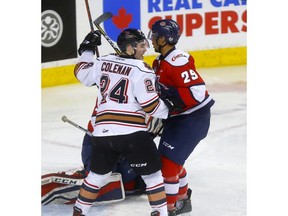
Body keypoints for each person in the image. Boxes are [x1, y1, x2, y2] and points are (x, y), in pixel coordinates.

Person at [72, 28, 173, 216]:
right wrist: (172, 107)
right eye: (142, 46)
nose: (146, 49)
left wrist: (87, 49)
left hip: (102, 134)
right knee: (153, 177)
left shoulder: (102, 61)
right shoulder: (142, 69)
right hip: (132, 134)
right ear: (129, 48)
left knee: (96, 177)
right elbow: (151, 107)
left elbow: (81, 73)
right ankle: (160, 213)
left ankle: (79, 212)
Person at [148, 19, 215, 216]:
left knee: (167, 166)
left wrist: (170, 100)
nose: (152, 39)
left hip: (193, 119)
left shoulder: (178, 61)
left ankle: (169, 209)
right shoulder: (160, 61)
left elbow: (197, 92)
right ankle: (183, 200)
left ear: (164, 39)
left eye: (155, 36)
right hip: (179, 118)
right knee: (171, 162)